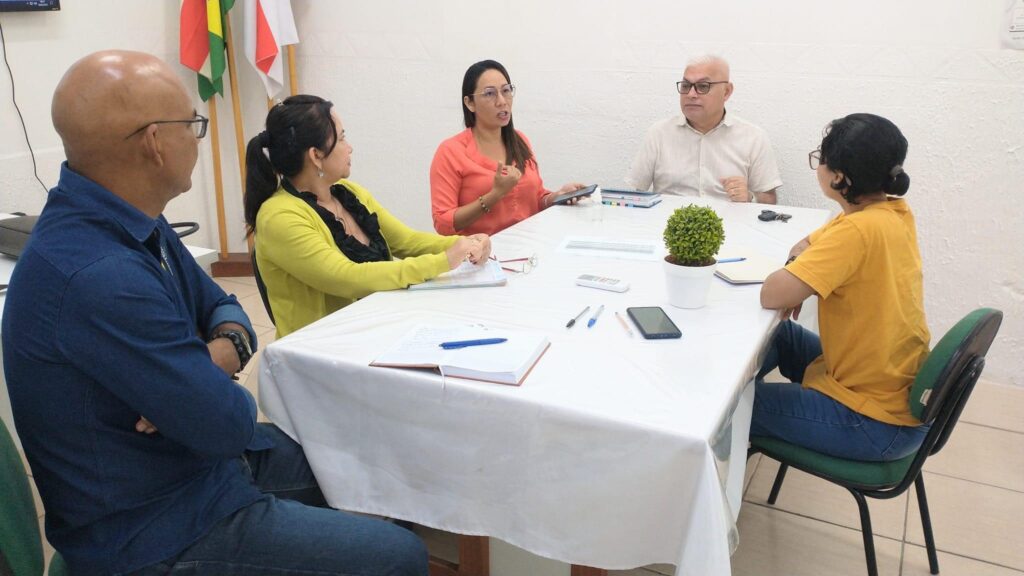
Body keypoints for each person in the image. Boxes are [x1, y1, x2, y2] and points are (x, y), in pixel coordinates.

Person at [2, 50, 427, 575]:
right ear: (156, 143)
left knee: (386, 478)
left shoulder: (132, 221)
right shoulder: (98, 274)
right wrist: (205, 385)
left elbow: (225, 306)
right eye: (193, 125)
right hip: (155, 527)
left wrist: (210, 362)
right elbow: (227, 421)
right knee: (398, 558)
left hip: (195, 465)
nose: (198, 140)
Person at [753, 113, 930, 461]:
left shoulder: (856, 231)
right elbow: (802, 246)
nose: (817, 165)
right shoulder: (890, 212)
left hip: (871, 421)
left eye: (821, 158)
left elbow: (772, 294)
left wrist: (795, 282)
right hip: (882, 387)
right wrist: (800, 274)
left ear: (838, 177)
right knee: (781, 335)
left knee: (731, 407)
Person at [245, 95, 491, 338]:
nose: (349, 147)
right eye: (341, 138)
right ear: (316, 155)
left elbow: (407, 241)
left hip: (378, 326)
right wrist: (444, 261)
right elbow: (346, 277)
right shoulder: (279, 217)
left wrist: (467, 244)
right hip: (323, 347)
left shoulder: (349, 194)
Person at [430, 59, 586, 235]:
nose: (502, 101)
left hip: (528, 249)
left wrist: (557, 196)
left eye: (506, 91)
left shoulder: (520, 140)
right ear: (470, 103)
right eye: (490, 94)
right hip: (480, 257)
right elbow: (443, 224)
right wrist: (494, 195)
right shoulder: (450, 151)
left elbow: (535, 200)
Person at [625, 55, 781, 204]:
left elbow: (769, 200)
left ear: (726, 91)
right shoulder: (659, 133)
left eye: (702, 86)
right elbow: (636, 192)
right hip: (670, 227)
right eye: (686, 86)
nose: (691, 94)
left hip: (731, 228)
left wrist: (750, 197)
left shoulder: (753, 137)